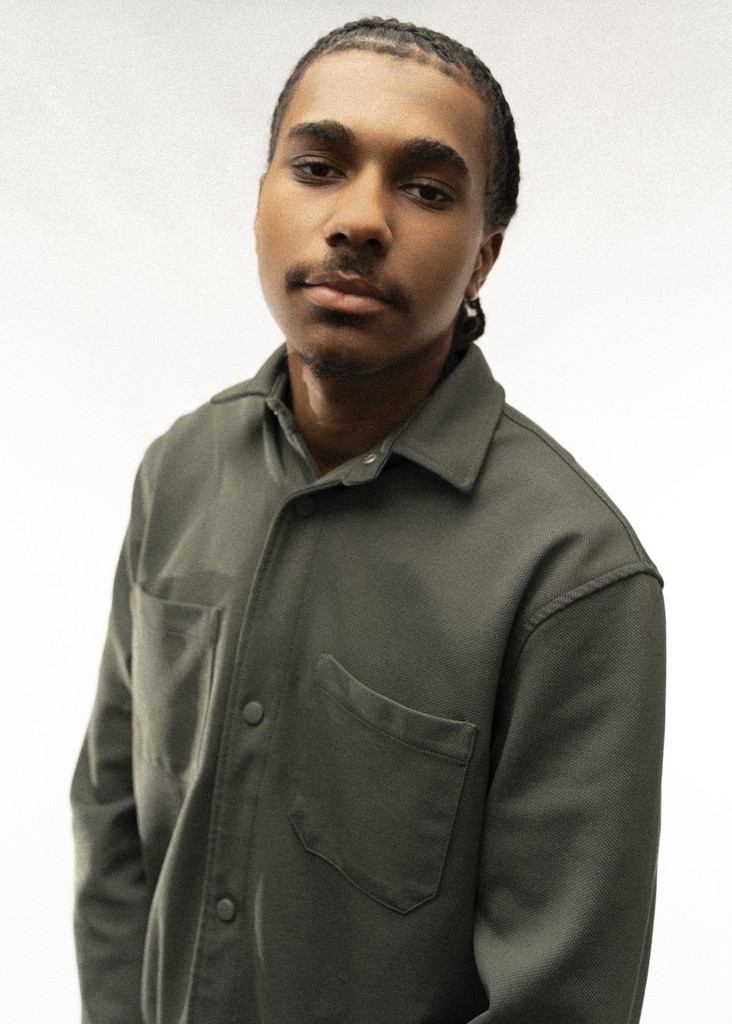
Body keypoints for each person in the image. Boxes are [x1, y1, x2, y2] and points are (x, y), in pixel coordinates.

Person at [71, 16, 665, 1024]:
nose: (358, 220)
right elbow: (115, 822)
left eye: (426, 189)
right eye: (317, 168)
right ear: (261, 200)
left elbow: (562, 997)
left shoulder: (573, 579)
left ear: (483, 258)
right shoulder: (179, 472)